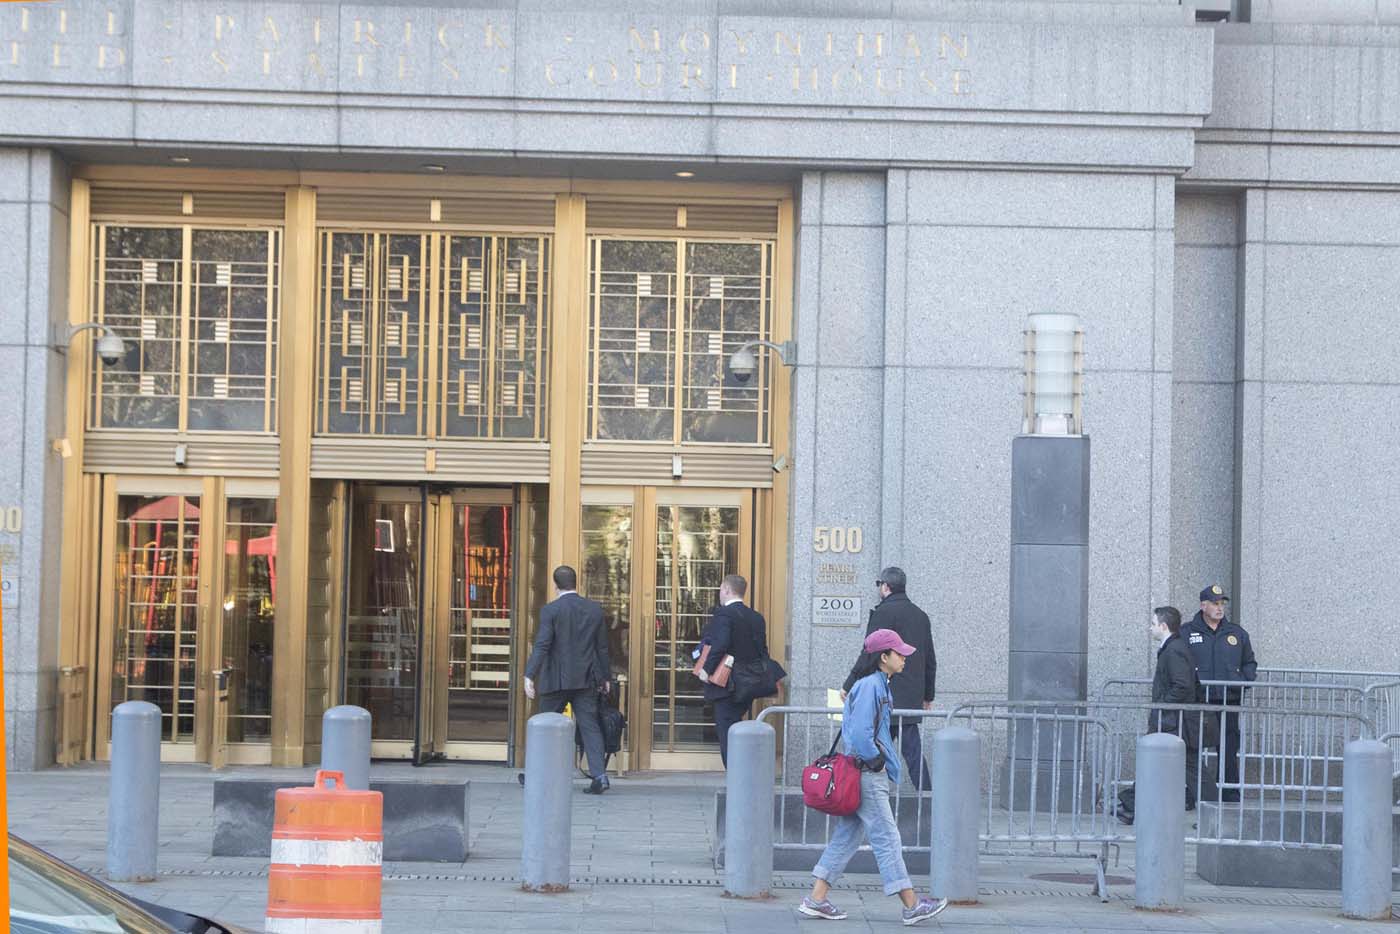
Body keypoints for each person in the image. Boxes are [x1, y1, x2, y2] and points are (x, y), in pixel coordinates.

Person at [800, 629, 948, 925]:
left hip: (862, 773)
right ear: (883, 657)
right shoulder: (871, 686)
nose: (904, 657)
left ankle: (816, 899)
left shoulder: (875, 683)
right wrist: (877, 761)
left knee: (847, 837)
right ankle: (911, 904)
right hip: (867, 775)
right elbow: (859, 732)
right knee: (887, 838)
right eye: (899, 653)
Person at [1117, 606, 1218, 823]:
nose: (1150, 628)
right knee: (1160, 766)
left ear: (1163, 626)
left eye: (1153, 624)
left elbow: (1182, 686)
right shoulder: (1173, 648)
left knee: (1189, 770)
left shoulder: (1174, 650)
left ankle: (1218, 816)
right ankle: (1131, 807)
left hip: (1175, 722)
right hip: (1174, 721)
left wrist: (1163, 705)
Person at [840, 567, 936, 790]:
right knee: (912, 753)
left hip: (884, 695)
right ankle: (928, 800)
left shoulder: (883, 613)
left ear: (885, 586)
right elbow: (930, 659)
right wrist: (927, 695)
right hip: (910, 696)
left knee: (868, 749)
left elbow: (869, 652)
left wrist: (849, 685)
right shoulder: (921, 616)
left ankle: (855, 793)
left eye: (879, 585)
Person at [523, 565, 612, 794]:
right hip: (586, 680)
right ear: (576, 583)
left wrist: (529, 674)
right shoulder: (594, 610)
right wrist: (605, 678)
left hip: (556, 680)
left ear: (556, 585)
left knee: (545, 727)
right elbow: (602, 647)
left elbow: (542, 644)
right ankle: (600, 776)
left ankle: (537, 774)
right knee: (590, 727)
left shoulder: (551, 610)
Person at [1183, 584, 1257, 803]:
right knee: (1193, 749)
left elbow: (1249, 663)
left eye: (1222, 603)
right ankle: (1192, 793)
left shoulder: (1237, 633)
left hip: (1228, 700)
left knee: (1228, 748)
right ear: (1203, 605)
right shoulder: (1187, 632)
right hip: (1199, 701)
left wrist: (1242, 683)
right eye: (1215, 603)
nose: (1219, 608)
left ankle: (1229, 793)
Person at [697, 574, 768, 767]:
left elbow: (720, 644)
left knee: (727, 733)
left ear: (727, 590)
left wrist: (706, 669)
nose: (720, 593)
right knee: (737, 727)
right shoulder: (757, 618)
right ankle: (743, 775)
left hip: (726, 684)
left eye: (721, 589)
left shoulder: (723, 615)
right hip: (749, 684)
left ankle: (737, 780)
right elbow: (763, 651)